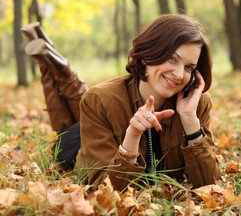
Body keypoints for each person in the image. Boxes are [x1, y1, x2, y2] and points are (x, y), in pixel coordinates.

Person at [22, 14, 220, 192]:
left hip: (101, 113)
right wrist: (131, 138)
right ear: (147, 54)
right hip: (77, 142)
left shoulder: (195, 104)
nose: (179, 74)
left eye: (189, 67)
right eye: (171, 58)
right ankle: (49, 65)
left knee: (90, 98)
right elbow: (105, 191)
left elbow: (210, 186)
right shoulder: (99, 102)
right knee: (67, 123)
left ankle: (55, 61)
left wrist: (190, 123)